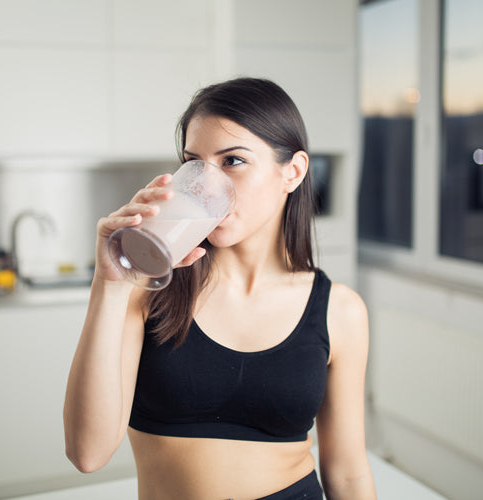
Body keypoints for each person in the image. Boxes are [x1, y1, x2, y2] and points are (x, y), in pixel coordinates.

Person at [63, 77, 376, 500]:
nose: (209, 185)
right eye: (196, 164)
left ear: (293, 172)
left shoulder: (339, 310)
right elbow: (87, 453)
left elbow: (349, 473)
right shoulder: (148, 291)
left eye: (232, 161)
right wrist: (110, 284)